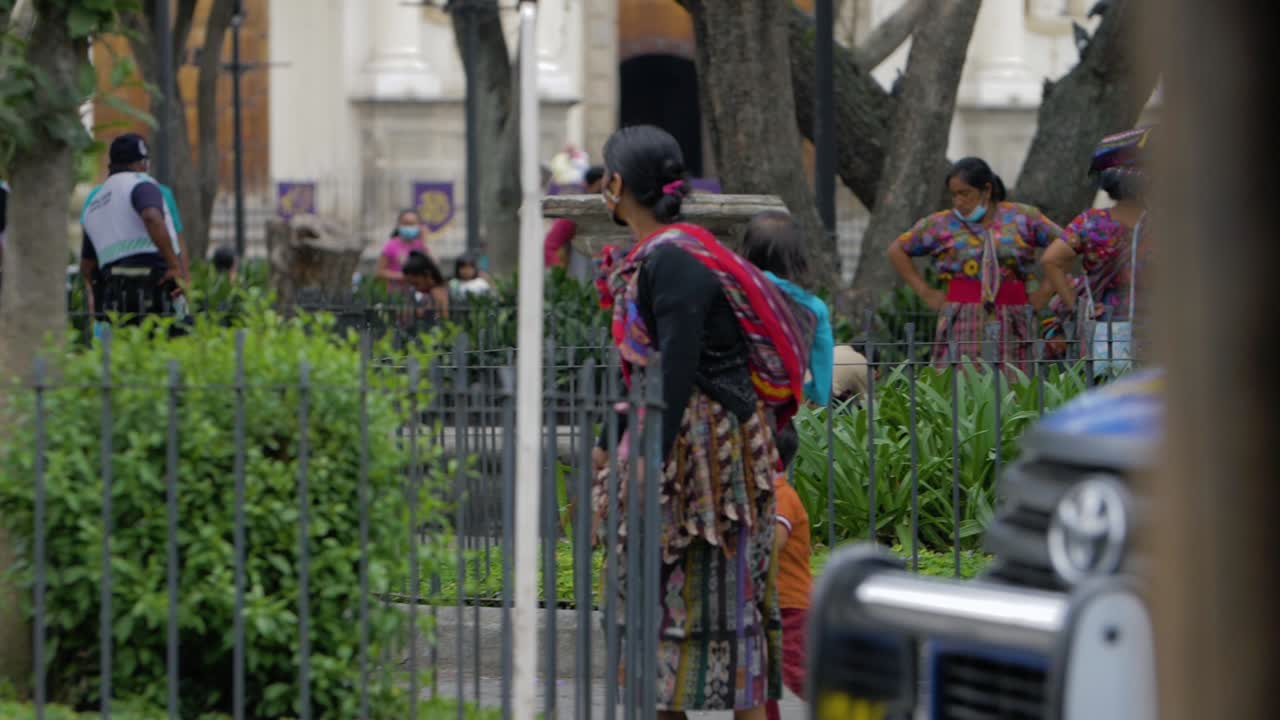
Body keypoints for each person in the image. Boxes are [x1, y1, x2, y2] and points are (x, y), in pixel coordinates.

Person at [591, 125, 810, 720]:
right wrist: (609, 441)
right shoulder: (655, 256)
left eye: (603, 178)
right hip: (679, 445)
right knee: (662, 601)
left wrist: (645, 463)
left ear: (616, 185)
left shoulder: (675, 260)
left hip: (708, 458)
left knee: (726, 596)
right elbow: (640, 365)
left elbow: (678, 366)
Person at [887, 157, 1063, 366]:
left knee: (1012, 385)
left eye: (965, 193)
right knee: (961, 384)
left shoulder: (1023, 218)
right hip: (962, 317)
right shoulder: (941, 224)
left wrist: (1045, 292)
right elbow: (897, 250)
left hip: (1013, 315)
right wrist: (926, 293)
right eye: (954, 195)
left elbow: (1066, 245)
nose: (958, 202)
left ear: (986, 190)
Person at [1041, 168, 1148, 370]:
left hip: (1105, 317)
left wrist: (1074, 305)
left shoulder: (1091, 222)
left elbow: (1050, 259)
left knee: (1107, 383)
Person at [80, 133, 188, 327]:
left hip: (116, 295)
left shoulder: (93, 205)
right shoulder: (140, 184)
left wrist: (99, 297)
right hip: (156, 285)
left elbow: (87, 266)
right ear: (143, 163)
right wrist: (174, 266)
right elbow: (151, 216)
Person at [742, 210, 834, 406]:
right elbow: (822, 376)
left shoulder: (737, 291)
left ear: (749, 250)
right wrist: (814, 393)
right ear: (798, 256)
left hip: (740, 397)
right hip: (783, 402)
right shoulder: (814, 308)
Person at [765, 424, 811, 720]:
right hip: (771, 602)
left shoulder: (781, 495)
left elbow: (774, 544)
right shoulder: (773, 492)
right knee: (760, 680)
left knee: (801, 675)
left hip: (790, 604)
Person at [544, 166, 605, 269]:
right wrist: (560, 277)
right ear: (587, 186)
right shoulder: (574, 214)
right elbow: (549, 247)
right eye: (601, 187)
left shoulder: (614, 212)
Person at [376, 209, 430, 286]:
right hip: (396, 294)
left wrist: (424, 242)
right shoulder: (390, 245)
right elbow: (380, 272)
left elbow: (433, 267)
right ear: (399, 225)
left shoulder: (421, 245)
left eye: (412, 224)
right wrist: (403, 276)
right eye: (405, 224)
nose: (408, 227)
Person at [401, 250, 449, 320]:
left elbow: (444, 319)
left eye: (416, 284)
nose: (415, 288)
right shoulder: (417, 293)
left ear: (428, 276)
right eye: (411, 284)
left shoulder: (438, 293)